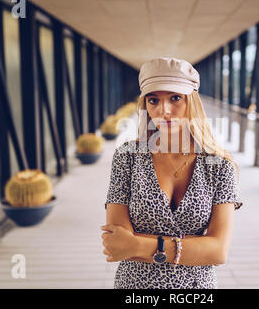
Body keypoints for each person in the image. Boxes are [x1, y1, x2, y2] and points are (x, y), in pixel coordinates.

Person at [101, 57, 243, 289]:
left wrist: (138, 244)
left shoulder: (220, 166)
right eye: (153, 100)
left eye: (175, 98)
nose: (163, 110)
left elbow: (218, 252)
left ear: (192, 101)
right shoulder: (127, 157)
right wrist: (196, 246)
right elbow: (117, 244)